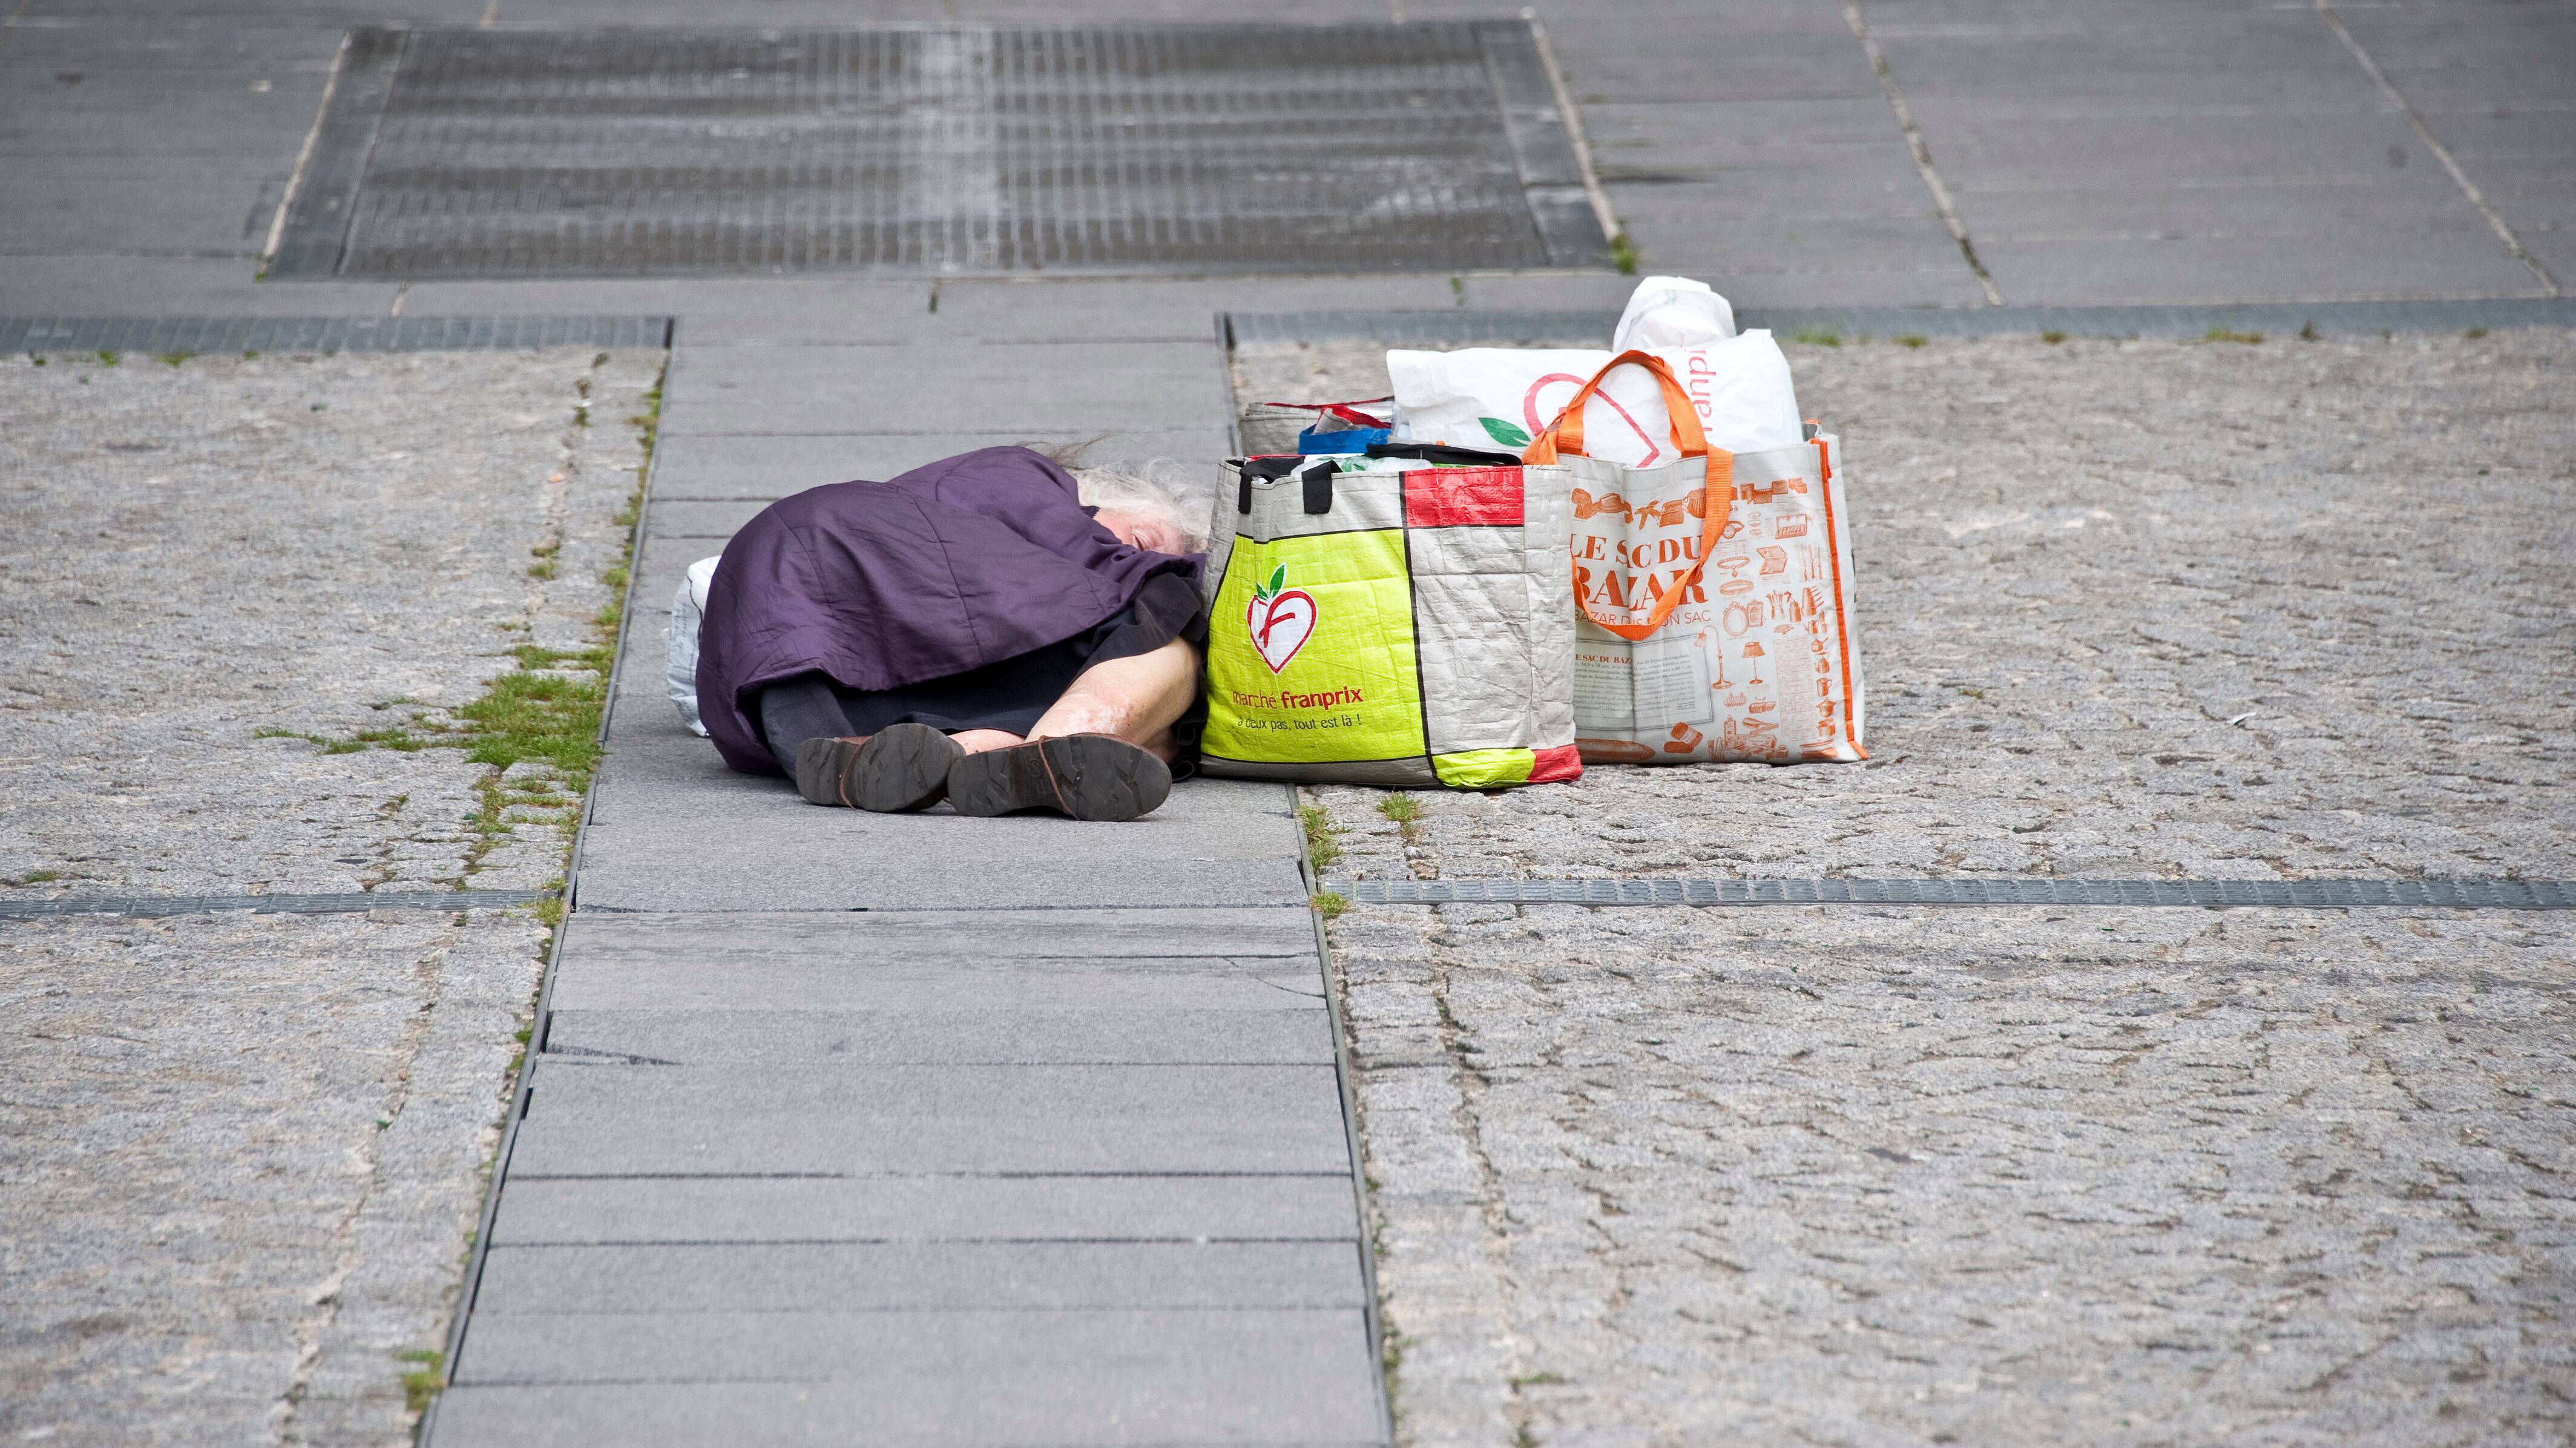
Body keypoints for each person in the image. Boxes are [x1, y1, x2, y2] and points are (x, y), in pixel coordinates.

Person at [691, 446, 1211, 823]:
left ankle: (956, 755)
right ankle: (1064, 741)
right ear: (1099, 497)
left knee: (1159, 671)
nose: (1147, 561)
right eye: (1144, 541)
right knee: (1166, 608)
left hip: (830, 684)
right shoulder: (1019, 473)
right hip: (833, 554)